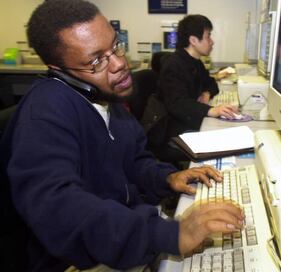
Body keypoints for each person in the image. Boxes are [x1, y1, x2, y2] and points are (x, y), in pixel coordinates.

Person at [0, 1, 244, 271]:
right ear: (58, 68)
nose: (119, 63)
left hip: (128, 228)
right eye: (96, 60)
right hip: (76, 259)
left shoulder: (106, 97)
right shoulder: (44, 114)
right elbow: (58, 209)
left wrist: (165, 177)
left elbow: (134, 160)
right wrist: (170, 235)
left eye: (115, 46)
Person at [157, 14, 239, 140]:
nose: (212, 42)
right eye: (208, 36)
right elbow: (178, 104)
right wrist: (212, 110)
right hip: (175, 131)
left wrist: (206, 93)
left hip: (189, 121)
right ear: (193, 40)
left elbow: (211, 83)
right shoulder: (173, 65)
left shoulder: (195, 62)